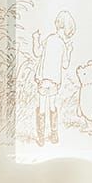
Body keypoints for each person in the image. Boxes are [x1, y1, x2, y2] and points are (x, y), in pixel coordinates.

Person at [32, 9, 75, 145]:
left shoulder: (50, 39)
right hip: (55, 82)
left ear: (58, 24)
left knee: (42, 107)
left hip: (43, 80)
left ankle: (41, 138)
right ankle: (54, 135)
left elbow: (37, 52)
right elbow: (65, 64)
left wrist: (35, 38)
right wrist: (69, 51)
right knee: (52, 106)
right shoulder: (63, 45)